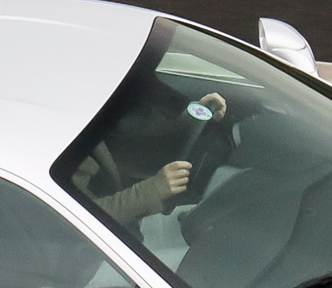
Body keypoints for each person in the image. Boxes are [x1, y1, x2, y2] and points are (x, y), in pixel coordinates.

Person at [71, 90, 229, 225]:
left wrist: (194, 116)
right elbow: (75, 216)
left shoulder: (83, 103)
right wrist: (152, 190)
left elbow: (126, 135)